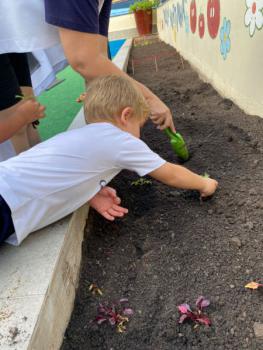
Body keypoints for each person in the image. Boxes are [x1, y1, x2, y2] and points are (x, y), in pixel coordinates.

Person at [0, 75, 218, 246]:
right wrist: (204, 183)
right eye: (139, 126)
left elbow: (59, 174)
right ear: (125, 116)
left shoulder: (79, 137)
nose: (138, 135)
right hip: (6, 202)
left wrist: (89, 193)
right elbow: (170, 173)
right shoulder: (120, 140)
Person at [0, 53, 45, 156]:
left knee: (32, 114)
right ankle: (29, 169)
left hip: (11, 41)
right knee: (17, 125)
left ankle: (41, 160)